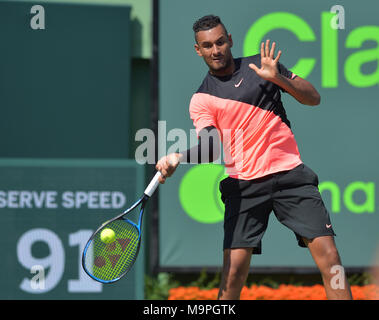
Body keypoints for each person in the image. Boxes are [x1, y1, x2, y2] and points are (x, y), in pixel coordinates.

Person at [155, 15, 353, 300]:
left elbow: (313, 98)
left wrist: (279, 78)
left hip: (291, 177)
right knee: (233, 275)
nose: (216, 50)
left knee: (332, 260)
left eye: (220, 42)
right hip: (244, 187)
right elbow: (211, 148)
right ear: (198, 50)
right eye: (208, 45)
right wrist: (179, 156)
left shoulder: (263, 66)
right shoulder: (202, 99)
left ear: (230, 40)